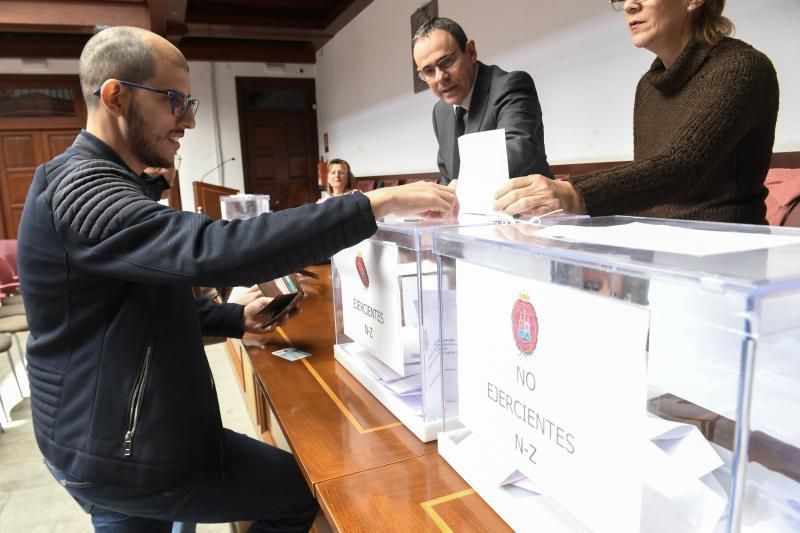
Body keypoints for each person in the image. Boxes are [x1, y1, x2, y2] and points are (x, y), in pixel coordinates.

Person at [17, 26, 456, 532]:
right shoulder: (80, 187)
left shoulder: (101, 181)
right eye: (174, 100)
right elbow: (213, 251)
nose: (189, 119)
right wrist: (371, 205)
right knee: (300, 496)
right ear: (116, 96)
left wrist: (232, 316)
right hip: (124, 450)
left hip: (109, 440)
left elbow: (128, 305)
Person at [494, 0, 779, 224]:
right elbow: (648, 188)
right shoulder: (649, 86)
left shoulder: (742, 68)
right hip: (657, 252)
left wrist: (574, 192)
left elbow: (682, 167)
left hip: (726, 255)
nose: (629, 5)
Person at [412, 17, 552, 185]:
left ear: (471, 52)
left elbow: (518, 154)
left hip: (527, 208)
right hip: (468, 210)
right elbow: (449, 175)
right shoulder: (440, 111)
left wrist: (459, 187)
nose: (440, 77)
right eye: (428, 71)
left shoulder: (511, 85)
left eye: (447, 62)